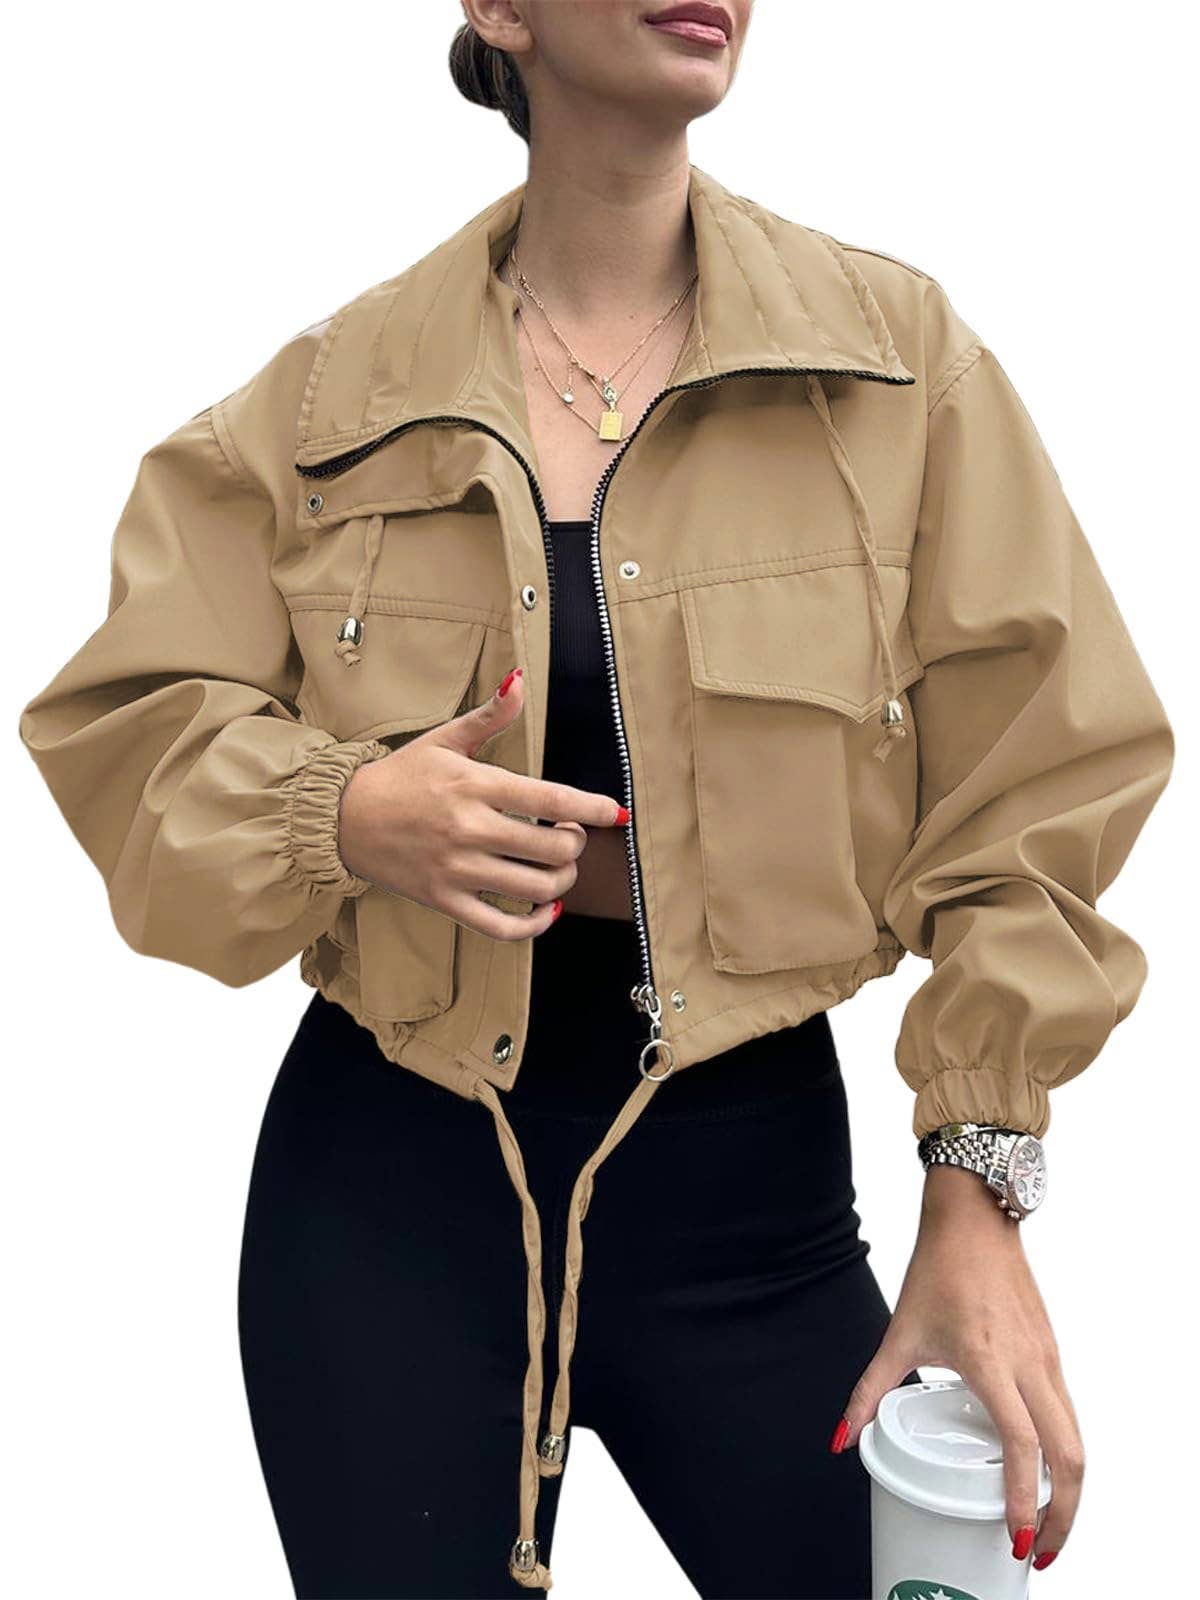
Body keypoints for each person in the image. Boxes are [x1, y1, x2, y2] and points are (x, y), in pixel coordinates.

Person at [16, 2, 1174, 1595]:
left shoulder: (894, 371)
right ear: (501, 7)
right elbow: (127, 725)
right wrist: (344, 811)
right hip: (387, 1199)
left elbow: (1041, 784)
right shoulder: (330, 405)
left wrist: (980, 1199)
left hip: (757, 1209)